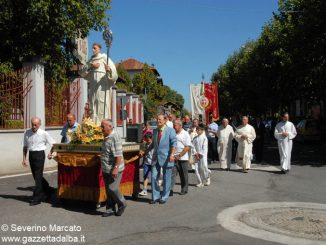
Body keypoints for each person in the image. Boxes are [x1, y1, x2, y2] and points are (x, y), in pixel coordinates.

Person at [79, 43, 118, 125]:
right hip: (93, 86)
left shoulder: (104, 58)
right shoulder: (91, 60)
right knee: (93, 104)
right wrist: (90, 65)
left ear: (99, 49)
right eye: (92, 48)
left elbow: (115, 74)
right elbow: (82, 72)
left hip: (102, 86)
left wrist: (109, 70)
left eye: (95, 48)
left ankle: (104, 124)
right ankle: (94, 125)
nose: (93, 50)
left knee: (102, 104)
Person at [22, 117, 56, 206]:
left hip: (40, 155)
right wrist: (24, 159)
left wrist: (50, 153)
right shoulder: (27, 132)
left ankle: (37, 198)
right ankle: (48, 190)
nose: (33, 126)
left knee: (37, 176)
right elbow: (25, 147)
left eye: (35, 124)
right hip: (32, 155)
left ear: (39, 124)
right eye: (32, 124)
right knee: (36, 176)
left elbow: (53, 144)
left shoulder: (44, 133)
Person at [100, 119, 127, 217]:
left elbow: (118, 155)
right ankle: (110, 209)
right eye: (101, 126)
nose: (101, 128)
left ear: (109, 127)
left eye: (103, 126)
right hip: (106, 168)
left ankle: (122, 203)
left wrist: (115, 168)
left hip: (115, 168)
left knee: (112, 188)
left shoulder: (115, 137)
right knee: (108, 190)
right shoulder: (106, 136)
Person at [150, 114, 177, 204]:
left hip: (167, 158)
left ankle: (164, 197)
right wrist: (145, 151)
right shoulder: (154, 131)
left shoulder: (171, 131)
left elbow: (174, 143)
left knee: (166, 178)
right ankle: (156, 196)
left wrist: (172, 154)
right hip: (156, 157)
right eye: (157, 119)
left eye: (160, 119)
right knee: (153, 177)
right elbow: (153, 144)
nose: (158, 121)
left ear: (165, 120)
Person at [171, 119, 192, 195]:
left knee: (183, 175)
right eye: (173, 125)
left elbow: (187, 147)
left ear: (180, 125)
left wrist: (179, 155)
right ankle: (170, 189)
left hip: (182, 158)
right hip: (173, 158)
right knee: (172, 175)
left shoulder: (185, 134)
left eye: (175, 125)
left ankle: (184, 189)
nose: (174, 126)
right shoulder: (173, 133)